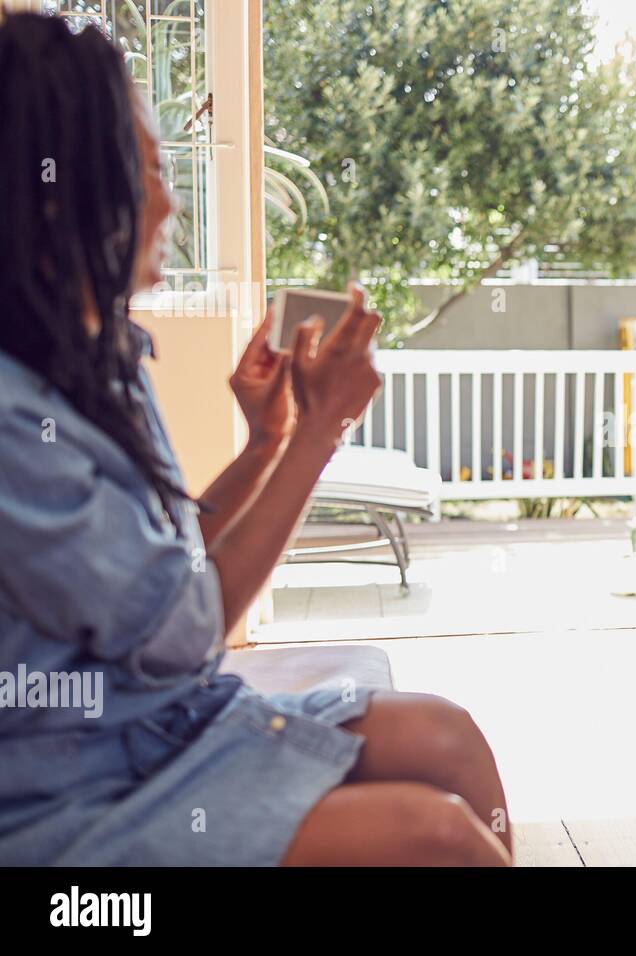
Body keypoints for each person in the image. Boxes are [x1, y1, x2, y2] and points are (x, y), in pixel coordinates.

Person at [0, 12, 509, 866]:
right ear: (60, 192)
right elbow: (187, 633)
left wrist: (266, 442)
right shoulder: (17, 420)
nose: (170, 201)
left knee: (449, 740)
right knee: (438, 839)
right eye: (150, 169)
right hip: (73, 785)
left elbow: (161, 573)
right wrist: (318, 434)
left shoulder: (103, 360)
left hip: (159, 723)